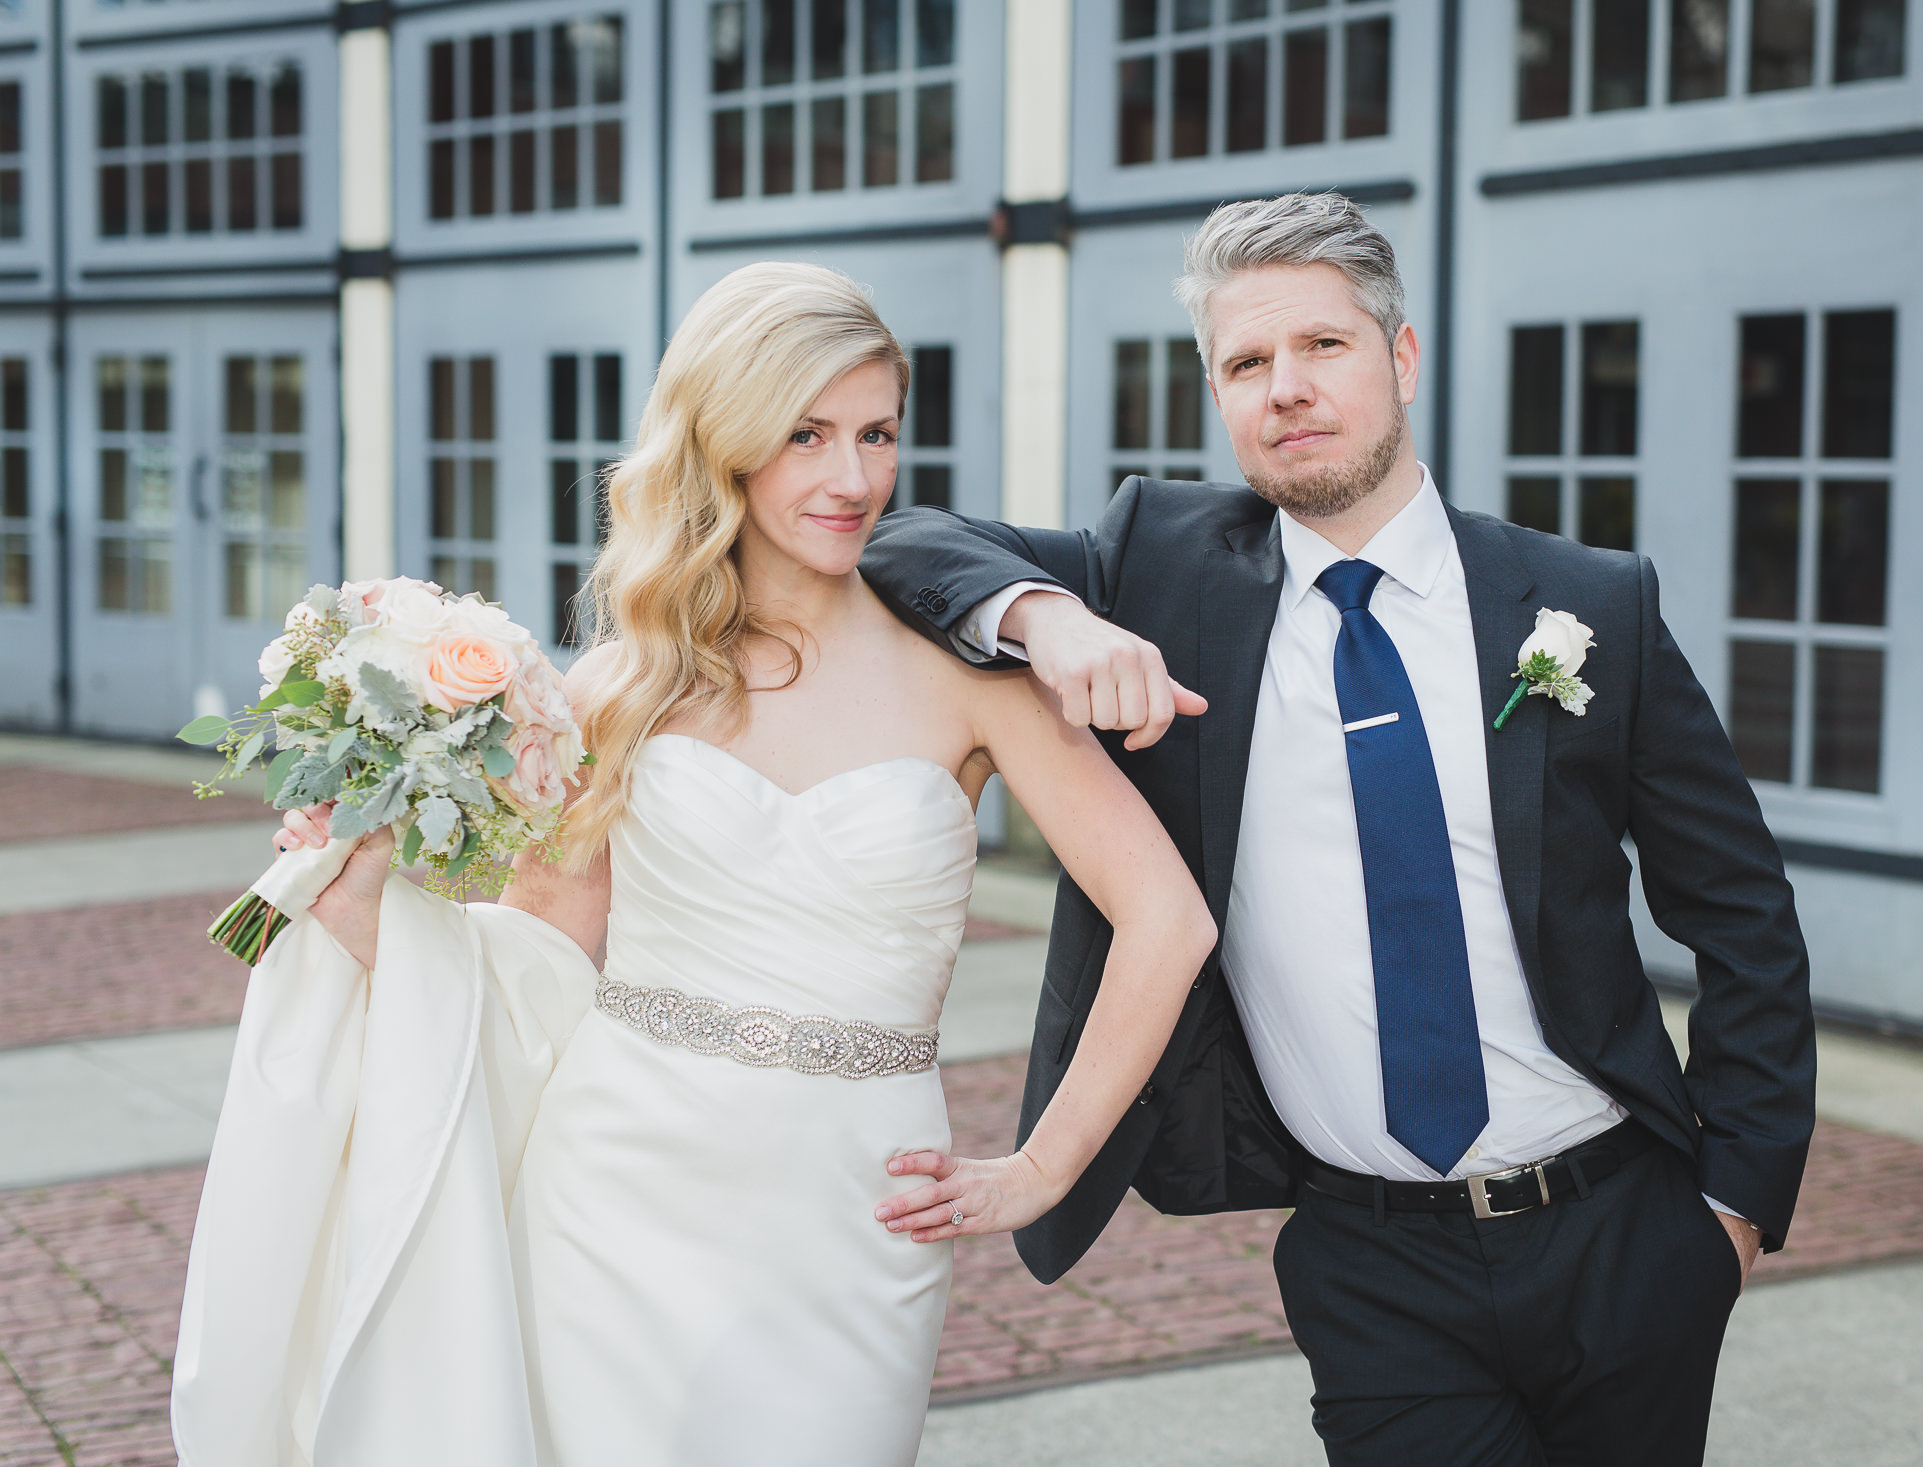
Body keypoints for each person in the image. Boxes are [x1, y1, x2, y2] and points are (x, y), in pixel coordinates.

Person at [169, 261, 1215, 1467]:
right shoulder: (618, 687)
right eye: (806, 434)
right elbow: (538, 954)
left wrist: (1039, 1168)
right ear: (722, 444)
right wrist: (368, 920)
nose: (854, 476)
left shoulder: (974, 678)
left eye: (877, 433)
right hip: (613, 1188)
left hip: (854, 1206)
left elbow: (1167, 921)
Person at [861, 192, 1816, 1465]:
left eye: (1322, 346)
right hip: (1371, 1262)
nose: (1285, 389)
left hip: (1621, 1226)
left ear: (1401, 358)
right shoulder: (1161, 565)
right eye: (1245, 363)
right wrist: (1052, 618)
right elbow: (903, 541)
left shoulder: (1587, 604)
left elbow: (1739, 906)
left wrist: (1734, 1203)